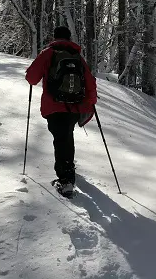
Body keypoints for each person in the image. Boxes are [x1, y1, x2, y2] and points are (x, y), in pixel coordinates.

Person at [25, 25, 97, 196]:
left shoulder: (49, 53)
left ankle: (65, 180)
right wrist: (91, 103)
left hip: (55, 106)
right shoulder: (76, 55)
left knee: (61, 138)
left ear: (55, 37)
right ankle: (68, 168)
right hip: (74, 107)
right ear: (69, 38)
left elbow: (31, 78)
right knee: (66, 135)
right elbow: (90, 81)